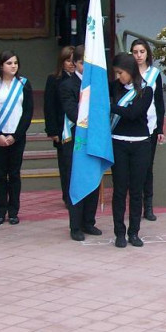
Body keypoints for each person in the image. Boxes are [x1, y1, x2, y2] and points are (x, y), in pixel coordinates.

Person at [109, 52, 153, 248]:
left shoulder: (146, 90)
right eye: (116, 73)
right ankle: (119, 232)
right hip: (118, 142)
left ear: (130, 70)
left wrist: (112, 107)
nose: (119, 77)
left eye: (121, 73)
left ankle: (134, 232)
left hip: (141, 143)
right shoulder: (113, 88)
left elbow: (134, 114)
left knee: (136, 191)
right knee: (119, 189)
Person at [58, 46, 102, 241]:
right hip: (76, 138)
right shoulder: (67, 85)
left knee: (93, 177)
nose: (86, 66)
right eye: (83, 62)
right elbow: (72, 112)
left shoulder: (97, 83)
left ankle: (89, 222)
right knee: (76, 180)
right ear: (75, 63)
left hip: (94, 138)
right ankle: (75, 225)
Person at [0, 50, 33, 226]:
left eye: (15, 63)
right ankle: (0, 212)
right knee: (0, 175)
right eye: (9, 63)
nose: (13, 66)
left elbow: (28, 112)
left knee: (14, 174)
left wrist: (16, 135)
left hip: (16, 137)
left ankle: (13, 211)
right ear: (1, 65)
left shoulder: (23, 84)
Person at [130, 38, 165, 222]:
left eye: (142, 52)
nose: (139, 56)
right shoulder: (127, 73)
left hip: (150, 126)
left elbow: (159, 102)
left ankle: (148, 206)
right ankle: (134, 204)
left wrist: (160, 127)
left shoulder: (155, 74)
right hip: (131, 126)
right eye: (135, 52)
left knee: (147, 167)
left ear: (147, 54)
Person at [44, 46, 75, 206]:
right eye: (67, 61)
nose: (71, 64)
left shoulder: (81, 78)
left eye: (73, 60)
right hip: (61, 128)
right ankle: (67, 196)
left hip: (77, 128)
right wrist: (52, 131)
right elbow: (49, 106)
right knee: (64, 164)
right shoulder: (54, 79)